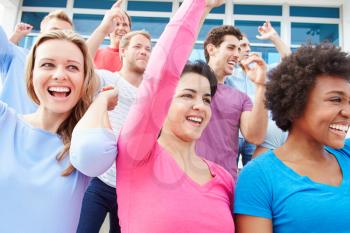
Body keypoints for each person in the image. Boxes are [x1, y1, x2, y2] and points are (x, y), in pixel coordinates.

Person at [71, 0, 234, 232]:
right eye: (187, 95)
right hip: (107, 179)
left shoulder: (223, 179)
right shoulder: (140, 153)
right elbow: (165, 69)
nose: (200, 106)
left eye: (206, 99)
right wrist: (199, 4)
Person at [234, 43, 350, 233]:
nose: (347, 112)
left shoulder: (347, 153)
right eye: (336, 99)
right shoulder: (259, 176)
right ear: (296, 104)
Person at [0, 30, 105, 233]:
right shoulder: (4, 120)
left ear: (85, 80)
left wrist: (100, 101)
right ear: (31, 75)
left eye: (72, 67)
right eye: (47, 64)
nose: (59, 75)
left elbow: (98, 154)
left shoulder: (84, 146)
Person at [74, 30, 152, 233]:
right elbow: (82, 60)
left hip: (131, 190)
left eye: (147, 49)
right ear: (123, 51)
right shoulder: (105, 79)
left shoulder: (151, 96)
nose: (144, 51)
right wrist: (106, 24)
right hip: (99, 181)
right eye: (137, 46)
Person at [196, 25, 268, 181]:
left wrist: (261, 86)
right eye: (230, 48)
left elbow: (254, 137)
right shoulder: (189, 84)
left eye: (238, 49)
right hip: (188, 178)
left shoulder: (241, 98)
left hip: (224, 182)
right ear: (211, 49)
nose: (237, 55)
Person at [225, 21, 291, 164]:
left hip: (259, 135)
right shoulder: (228, 75)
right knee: (228, 177)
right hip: (233, 136)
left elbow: (289, 61)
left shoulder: (263, 70)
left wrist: (274, 37)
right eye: (243, 46)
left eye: (248, 45)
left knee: (256, 175)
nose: (248, 49)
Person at [0, 10, 73, 114]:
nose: (60, 37)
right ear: (41, 34)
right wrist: (16, 36)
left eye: (66, 34)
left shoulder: (69, 72)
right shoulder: (18, 56)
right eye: (54, 31)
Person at [87, 0, 131, 72]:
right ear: (108, 31)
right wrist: (103, 28)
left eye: (125, 25)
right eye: (117, 24)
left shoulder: (134, 56)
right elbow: (80, 57)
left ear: (130, 31)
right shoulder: (95, 53)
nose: (121, 28)